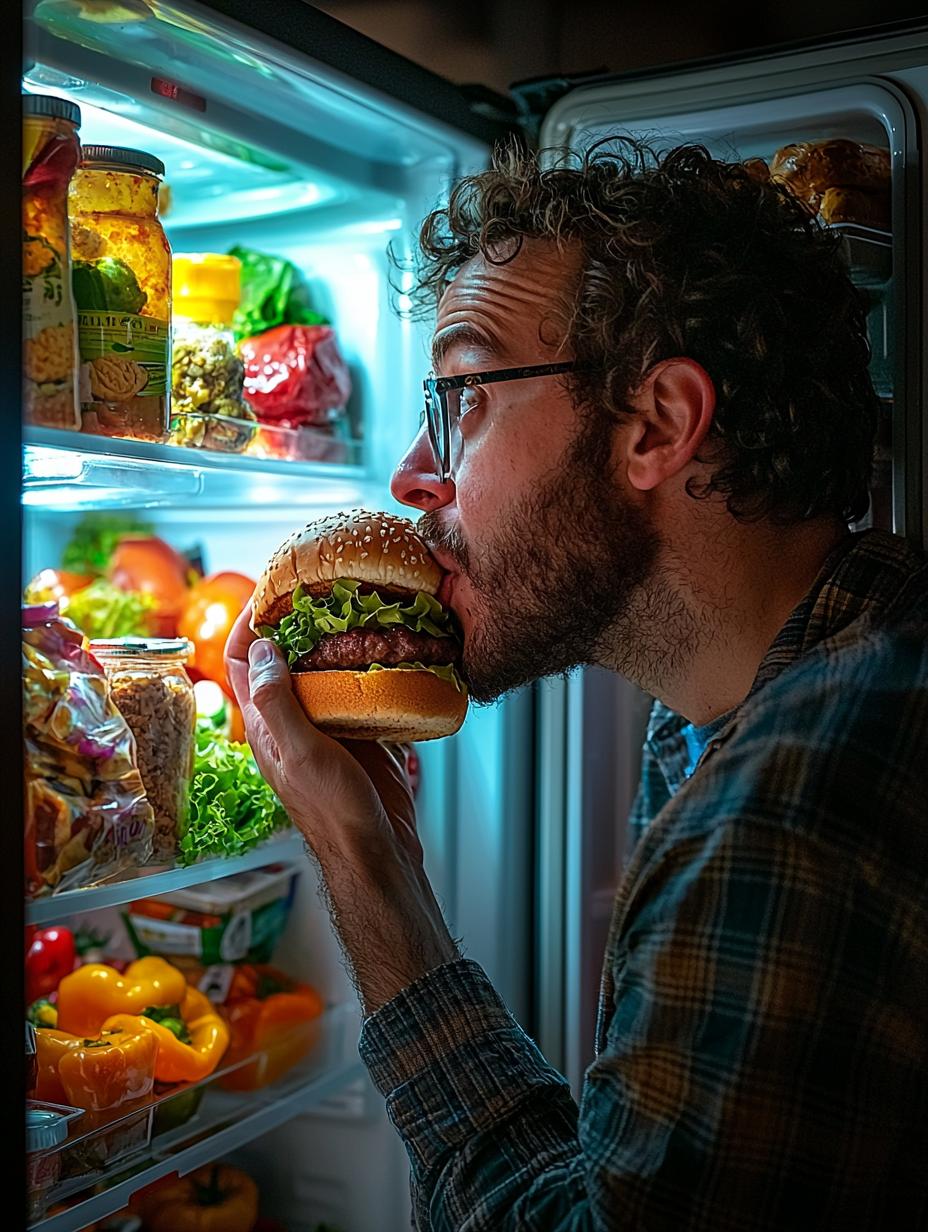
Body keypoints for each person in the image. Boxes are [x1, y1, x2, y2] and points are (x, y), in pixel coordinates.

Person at [227, 143, 928, 1230]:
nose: (415, 473)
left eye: (462, 395)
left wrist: (365, 865)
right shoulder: (734, 709)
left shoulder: (795, 804)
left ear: (655, 423)